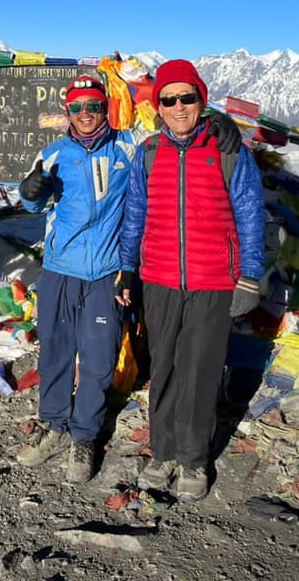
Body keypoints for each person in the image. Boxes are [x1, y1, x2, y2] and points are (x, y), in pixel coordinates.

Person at [120, 59, 265, 502]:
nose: (179, 107)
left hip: (213, 282)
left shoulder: (228, 151)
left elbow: (250, 212)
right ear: (157, 106)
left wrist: (250, 275)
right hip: (160, 279)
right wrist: (128, 268)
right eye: (169, 99)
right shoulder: (147, 153)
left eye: (187, 97)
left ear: (202, 102)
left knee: (201, 373)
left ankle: (194, 458)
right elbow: (134, 215)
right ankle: (162, 451)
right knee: (163, 368)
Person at [12, 76, 138, 483]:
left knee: (100, 359)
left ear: (106, 108)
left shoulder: (129, 148)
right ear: (67, 112)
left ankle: (84, 435)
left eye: (94, 106)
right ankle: (54, 425)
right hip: (59, 271)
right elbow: (33, 202)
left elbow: (174, 135)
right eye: (78, 107)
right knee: (55, 352)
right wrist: (29, 191)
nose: (86, 114)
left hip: (105, 273)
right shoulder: (51, 154)